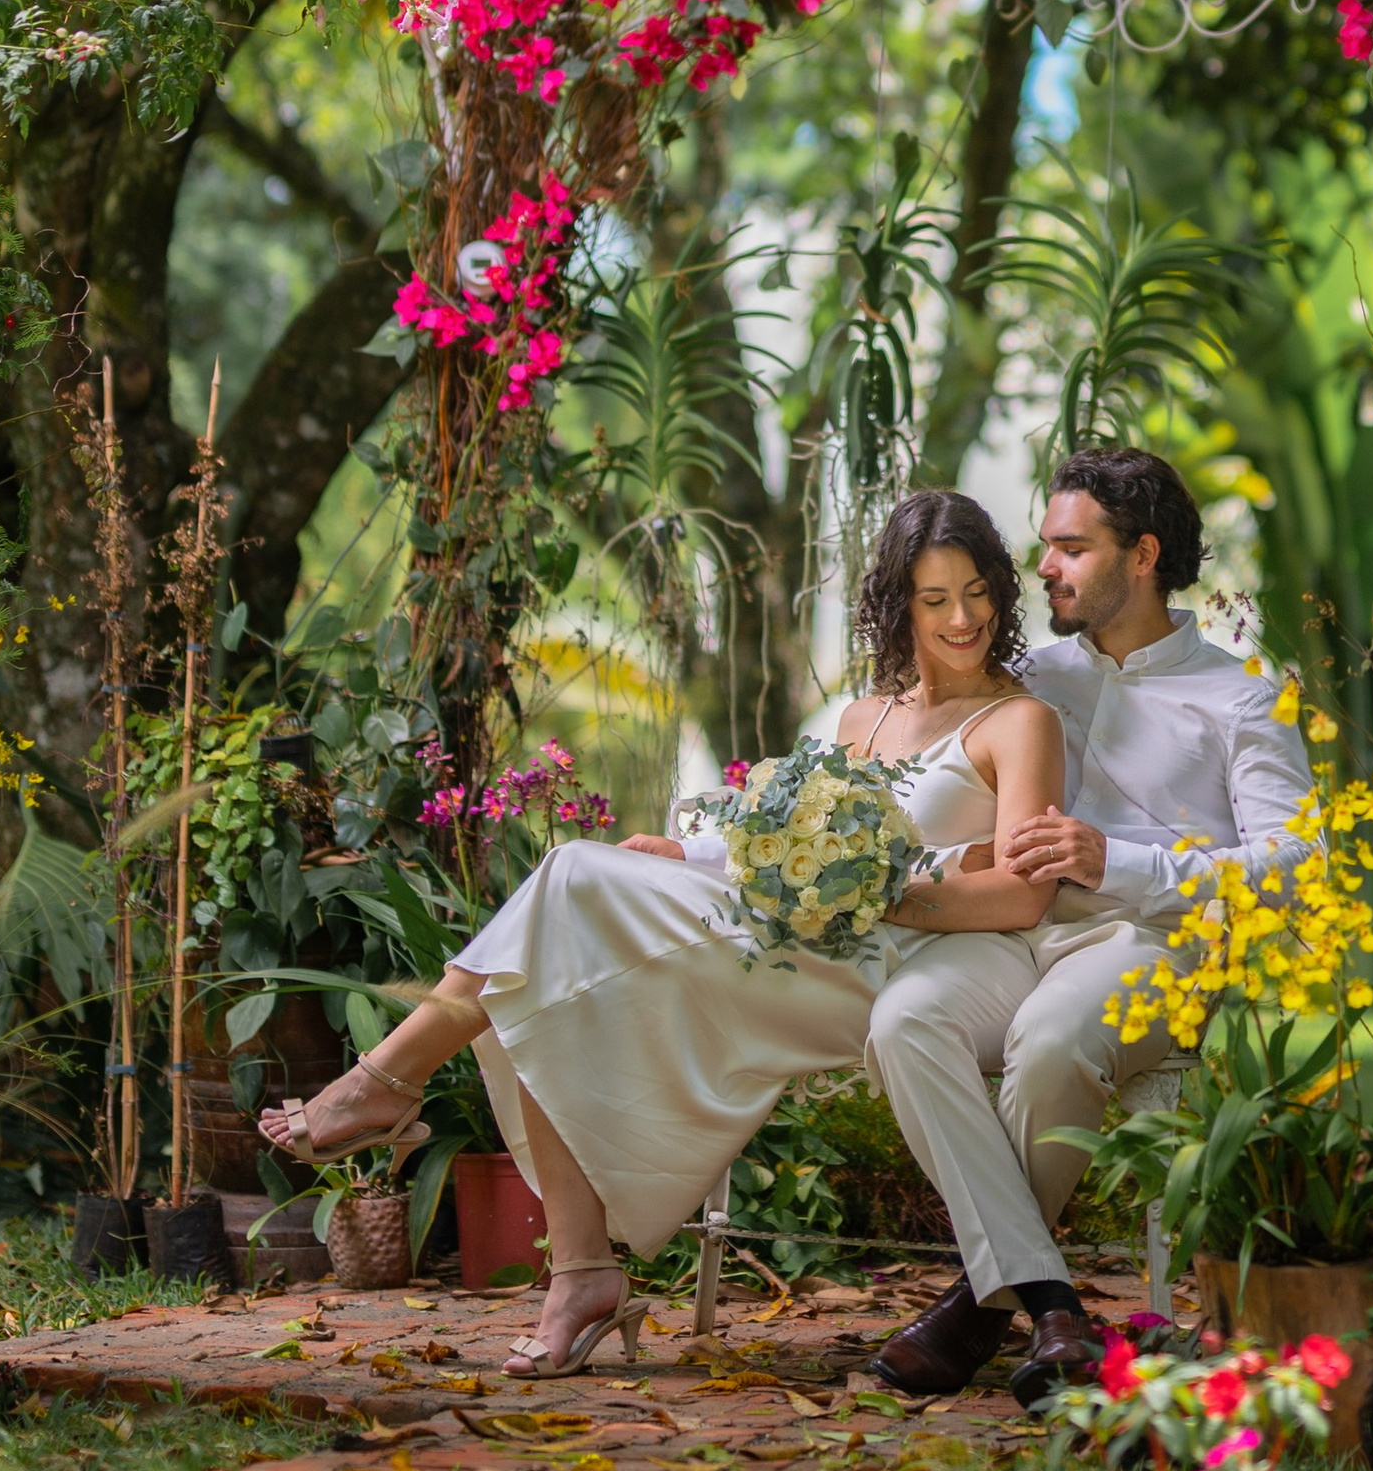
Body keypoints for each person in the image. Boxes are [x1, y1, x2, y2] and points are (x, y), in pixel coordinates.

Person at [255, 491, 1066, 1376]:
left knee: (565, 891)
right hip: (795, 943)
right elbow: (788, 834)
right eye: (934, 597)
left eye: (978, 592)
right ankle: (579, 1274)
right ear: (895, 603)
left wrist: (886, 895)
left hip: (901, 963)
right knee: (558, 932)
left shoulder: (1019, 722)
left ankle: (388, 1083)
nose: (961, 618)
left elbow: (1023, 898)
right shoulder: (860, 720)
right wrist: (688, 848)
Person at [865, 443, 1314, 1402]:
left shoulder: (1243, 697)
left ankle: (980, 1308)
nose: (1043, 570)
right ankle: (1049, 1307)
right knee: (906, 1022)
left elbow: (1292, 870)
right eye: (1045, 548)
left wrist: (1126, 863)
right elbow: (898, 778)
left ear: (1142, 554)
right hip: (1019, 935)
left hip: (1156, 942)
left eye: (1070, 549)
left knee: (1054, 1041)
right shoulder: (1031, 678)